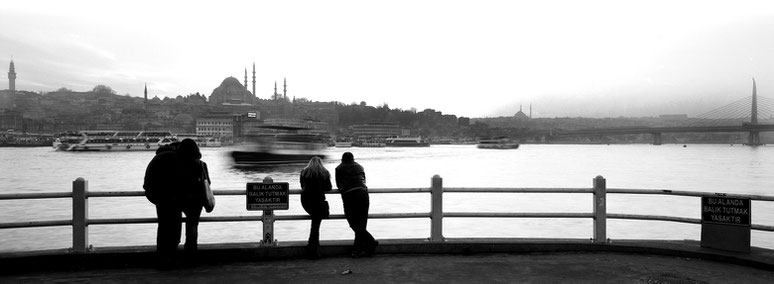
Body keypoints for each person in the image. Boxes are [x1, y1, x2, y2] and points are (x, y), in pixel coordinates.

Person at [143, 138, 209, 268]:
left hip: (159, 193)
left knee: (166, 226)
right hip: (165, 195)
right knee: (173, 225)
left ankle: (166, 257)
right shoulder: (173, 160)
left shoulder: (166, 157)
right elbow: (181, 182)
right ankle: (183, 255)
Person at [335, 152, 378, 257]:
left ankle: (369, 242)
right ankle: (359, 249)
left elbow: (338, 184)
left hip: (349, 196)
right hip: (363, 194)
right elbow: (364, 180)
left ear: (342, 159)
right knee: (362, 223)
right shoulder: (360, 166)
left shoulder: (339, 168)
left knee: (353, 222)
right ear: (353, 159)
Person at [299, 156, 332, 259]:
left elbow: (302, 186)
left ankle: (312, 249)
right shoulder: (324, 172)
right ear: (320, 163)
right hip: (318, 201)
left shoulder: (304, 172)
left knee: (315, 225)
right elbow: (328, 187)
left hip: (306, 201)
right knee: (315, 226)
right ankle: (313, 251)